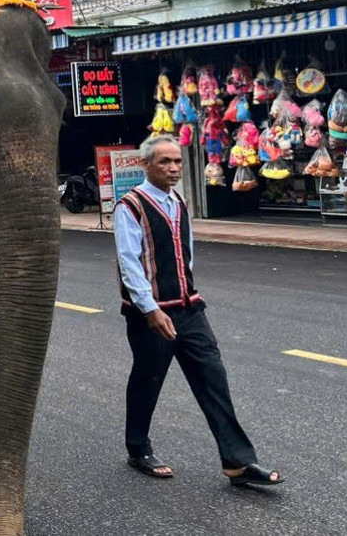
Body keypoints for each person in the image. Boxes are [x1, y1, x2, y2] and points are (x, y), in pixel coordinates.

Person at [115, 135, 283, 487]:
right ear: (146, 165)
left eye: (177, 161)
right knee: (149, 378)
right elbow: (129, 264)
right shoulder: (130, 207)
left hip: (189, 309)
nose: (173, 168)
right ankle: (138, 448)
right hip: (151, 315)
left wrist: (186, 290)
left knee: (213, 379)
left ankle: (238, 461)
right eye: (165, 162)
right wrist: (150, 309)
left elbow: (184, 254)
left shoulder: (179, 201)